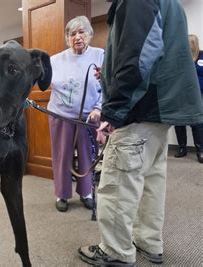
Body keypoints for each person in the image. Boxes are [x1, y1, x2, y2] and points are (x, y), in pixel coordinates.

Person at [78, 0, 203, 266]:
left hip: (138, 109)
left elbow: (139, 56)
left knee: (118, 183)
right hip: (158, 110)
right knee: (150, 181)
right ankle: (148, 242)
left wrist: (114, 111)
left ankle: (115, 251)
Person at [48, 16, 104, 212]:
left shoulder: (100, 56)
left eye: (82, 32)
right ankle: (61, 194)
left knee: (88, 155)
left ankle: (86, 193)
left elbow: (107, 87)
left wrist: (99, 108)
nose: (77, 37)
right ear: (67, 38)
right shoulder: (55, 60)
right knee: (62, 155)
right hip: (61, 115)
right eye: (72, 34)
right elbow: (44, 82)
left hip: (89, 116)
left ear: (89, 35)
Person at [173, 34, 203, 163]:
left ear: (195, 45)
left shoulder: (202, 56)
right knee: (179, 122)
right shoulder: (180, 57)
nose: (188, 47)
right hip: (181, 93)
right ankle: (182, 148)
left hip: (197, 95)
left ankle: (200, 150)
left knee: (197, 123)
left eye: (190, 44)